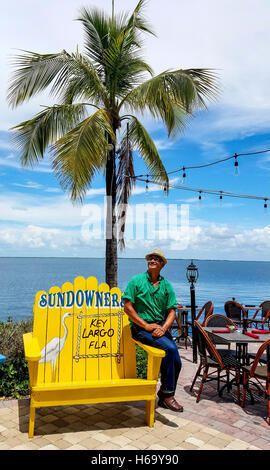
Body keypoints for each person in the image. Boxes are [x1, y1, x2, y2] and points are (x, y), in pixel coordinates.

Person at [123, 249, 183, 412]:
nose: (153, 260)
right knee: (170, 349)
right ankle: (168, 394)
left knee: (178, 362)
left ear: (162, 265)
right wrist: (145, 325)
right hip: (140, 328)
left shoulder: (166, 285)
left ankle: (164, 395)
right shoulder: (136, 281)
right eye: (151, 258)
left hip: (159, 327)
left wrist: (163, 328)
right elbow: (127, 307)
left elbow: (172, 311)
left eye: (157, 259)